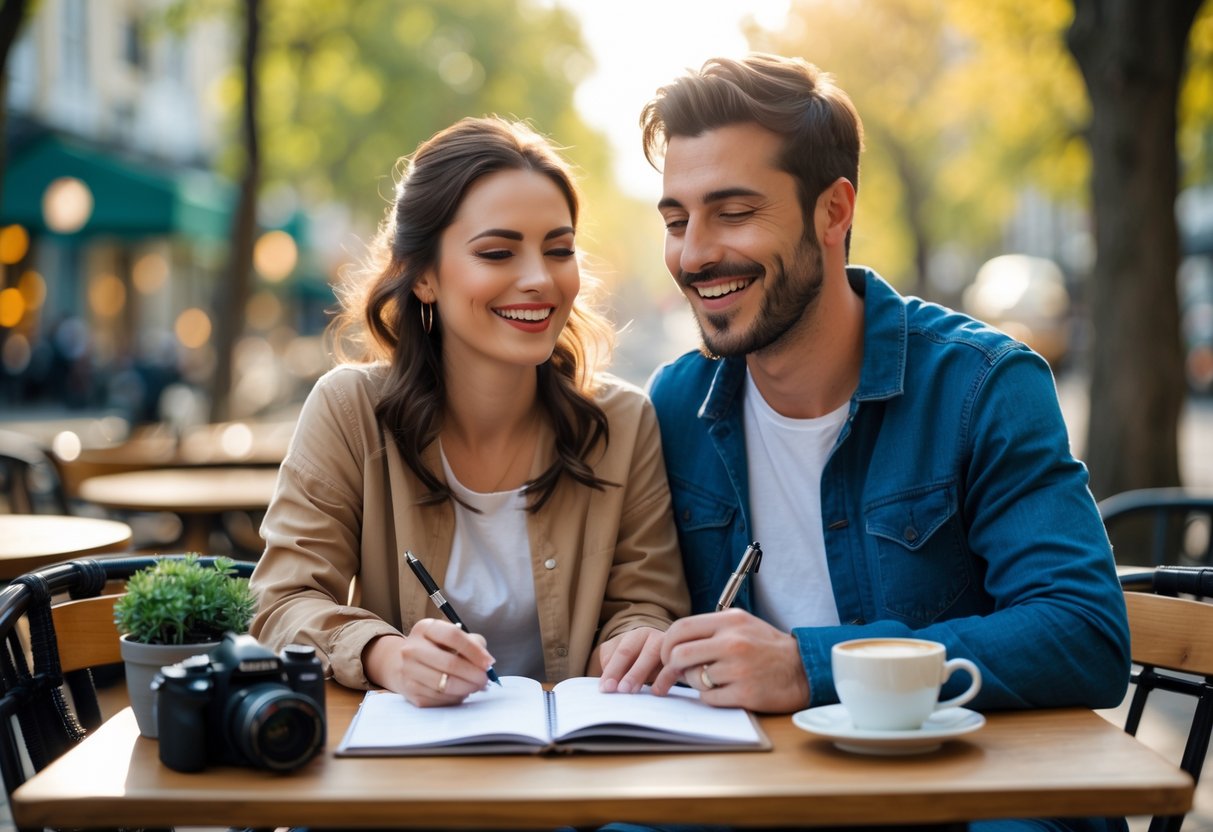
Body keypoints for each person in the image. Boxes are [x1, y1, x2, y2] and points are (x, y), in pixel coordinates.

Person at [612, 54, 1130, 832]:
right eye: (677, 220)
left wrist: (810, 666)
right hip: (767, 796)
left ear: (832, 211)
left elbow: (1082, 633)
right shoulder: (677, 401)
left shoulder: (982, 384)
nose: (693, 254)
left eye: (732, 211)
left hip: (963, 799)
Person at [251, 116, 689, 707]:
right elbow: (281, 602)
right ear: (425, 276)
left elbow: (646, 601)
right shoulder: (349, 410)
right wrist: (386, 653)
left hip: (582, 770)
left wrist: (633, 639)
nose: (539, 279)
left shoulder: (623, 423)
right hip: (413, 770)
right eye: (498, 252)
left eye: (558, 250)